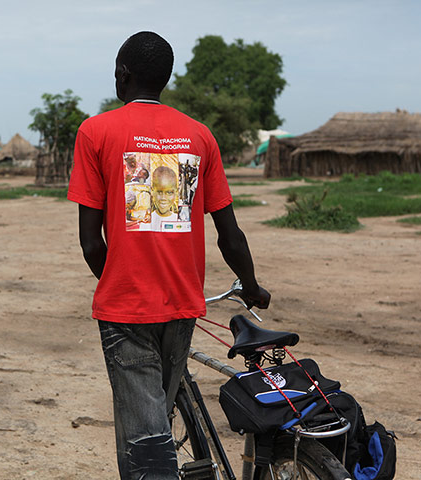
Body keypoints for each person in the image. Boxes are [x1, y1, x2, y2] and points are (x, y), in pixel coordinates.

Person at [68, 31, 271, 479]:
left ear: (122, 76)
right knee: (156, 414)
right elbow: (230, 234)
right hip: (181, 308)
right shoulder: (199, 135)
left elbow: (90, 242)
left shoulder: (96, 131)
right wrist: (252, 286)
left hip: (127, 310)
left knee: (145, 446)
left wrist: (120, 279)